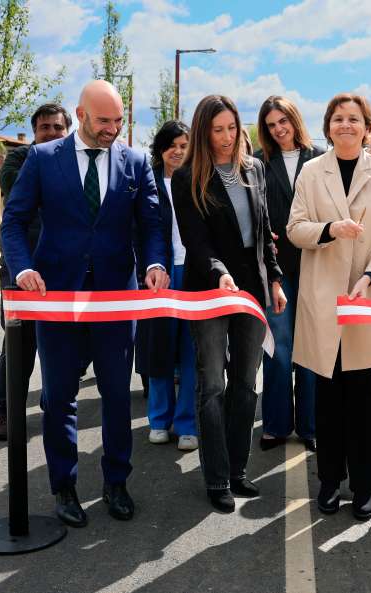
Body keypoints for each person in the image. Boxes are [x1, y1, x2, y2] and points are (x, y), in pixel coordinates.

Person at [1, 80, 169, 528]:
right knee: (59, 398)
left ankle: (116, 481)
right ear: (80, 115)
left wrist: (154, 263)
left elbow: (151, 225)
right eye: (103, 121)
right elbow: (13, 222)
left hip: (116, 299)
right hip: (56, 298)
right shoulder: (41, 159)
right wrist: (21, 271)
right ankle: (64, 486)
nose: (112, 129)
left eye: (118, 121)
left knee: (116, 395)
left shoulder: (135, 162)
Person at [287, 93, 371, 521]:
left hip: (366, 298)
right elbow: (295, 228)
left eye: (354, 119)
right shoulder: (311, 172)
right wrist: (330, 228)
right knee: (328, 397)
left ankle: (365, 486)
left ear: (368, 127)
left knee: (364, 396)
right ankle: (329, 481)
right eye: (338, 118)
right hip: (323, 298)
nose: (346, 125)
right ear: (328, 126)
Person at [172, 95, 286, 513]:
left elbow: (264, 230)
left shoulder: (253, 168)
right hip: (209, 288)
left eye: (232, 128)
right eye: (217, 130)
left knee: (244, 383)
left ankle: (238, 471)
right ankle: (216, 477)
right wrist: (221, 273)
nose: (226, 137)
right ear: (203, 131)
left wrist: (273, 278)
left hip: (253, 289)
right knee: (212, 385)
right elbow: (194, 241)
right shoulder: (187, 178)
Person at [0, 103, 71, 441]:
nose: (51, 133)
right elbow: (19, 191)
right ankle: (7, 412)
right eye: (44, 127)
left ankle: (53, 404)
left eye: (57, 128)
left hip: (61, 269)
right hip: (21, 268)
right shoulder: (18, 159)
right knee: (19, 344)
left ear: (67, 130)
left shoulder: (75, 162)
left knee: (61, 343)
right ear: (34, 131)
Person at [254, 95, 325, 453]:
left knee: (310, 350)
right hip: (276, 268)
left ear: (295, 119)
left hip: (315, 264)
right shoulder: (256, 162)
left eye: (283, 121)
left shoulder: (320, 158)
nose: (279, 129)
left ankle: (311, 426)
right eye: (271, 124)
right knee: (279, 349)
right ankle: (277, 424)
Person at [135, 121, 198, 451]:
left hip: (196, 273)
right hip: (158, 275)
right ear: (160, 149)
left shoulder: (200, 180)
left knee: (192, 351)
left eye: (185, 144)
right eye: (171, 144)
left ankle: (188, 423)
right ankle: (159, 419)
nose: (178, 150)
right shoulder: (149, 183)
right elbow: (146, 231)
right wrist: (152, 266)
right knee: (159, 347)